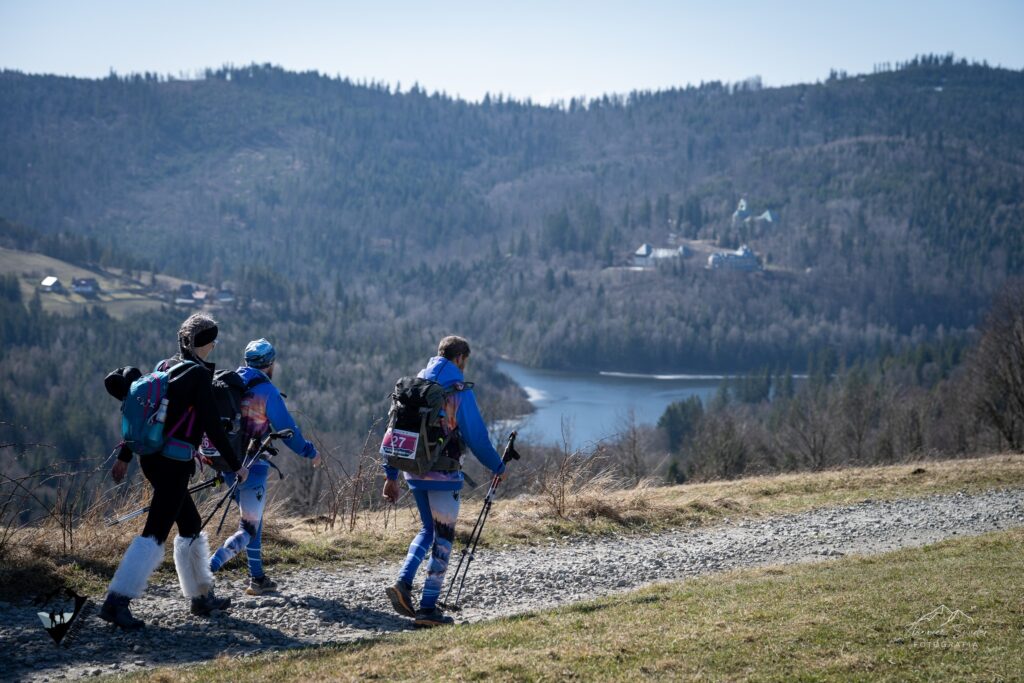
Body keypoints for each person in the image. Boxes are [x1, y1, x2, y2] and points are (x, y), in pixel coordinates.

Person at [100, 313, 249, 630]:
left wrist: (125, 457)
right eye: (213, 341)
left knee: (191, 523)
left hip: (152, 459)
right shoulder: (197, 376)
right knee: (155, 531)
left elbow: (150, 416)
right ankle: (116, 601)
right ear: (205, 344)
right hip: (174, 463)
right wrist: (237, 466)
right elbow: (211, 424)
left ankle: (201, 596)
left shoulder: (164, 367)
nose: (213, 347)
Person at [382, 335, 506, 627]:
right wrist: (497, 465)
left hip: (413, 470)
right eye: (466, 361)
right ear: (460, 359)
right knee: (444, 538)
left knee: (428, 529)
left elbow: (392, 432)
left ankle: (403, 584)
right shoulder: (458, 391)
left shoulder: (413, 387)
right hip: (444, 473)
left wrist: (391, 476)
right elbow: (476, 437)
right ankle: (427, 609)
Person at [206, 338, 321, 595]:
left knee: (252, 520)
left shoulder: (228, 383)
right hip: (253, 467)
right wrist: (310, 451)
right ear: (270, 364)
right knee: (247, 528)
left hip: (227, 464)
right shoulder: (266, 392)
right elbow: (288, 431)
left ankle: (257, 579)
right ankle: (205, 572)